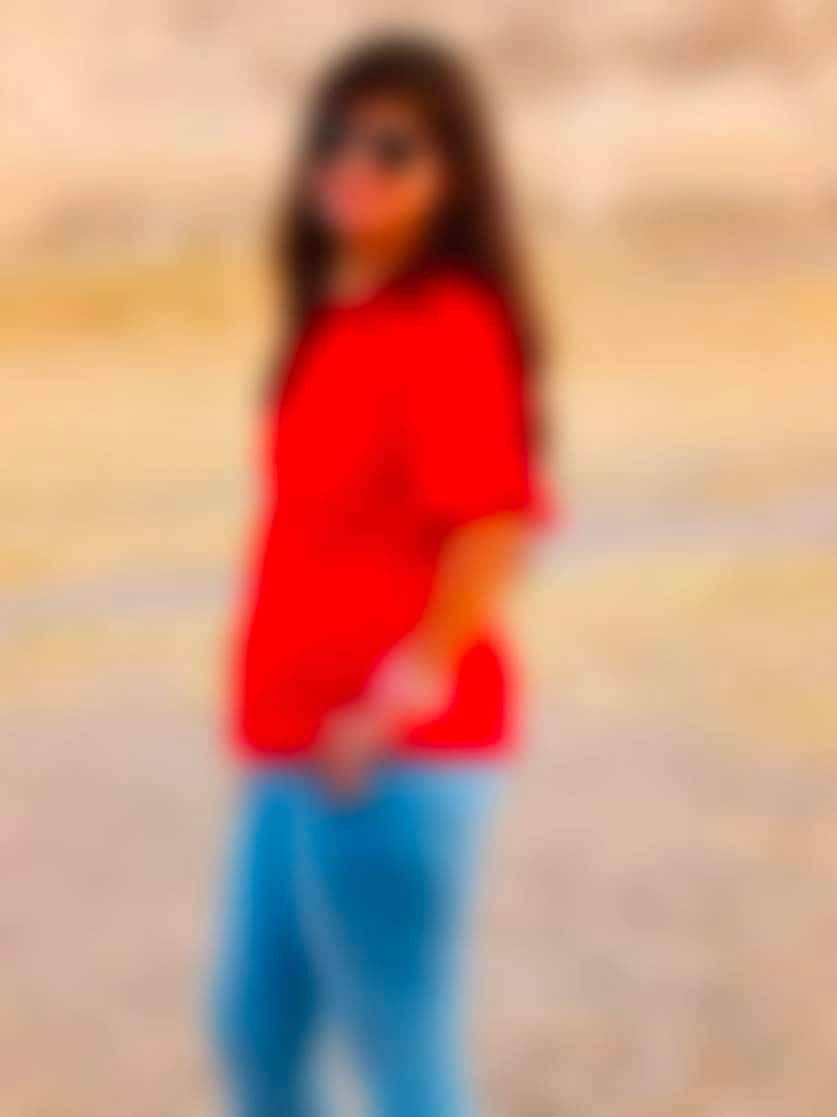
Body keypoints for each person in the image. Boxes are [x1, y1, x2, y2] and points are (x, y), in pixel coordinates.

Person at [211, 33, 547, 1117]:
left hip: (388, 756)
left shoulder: (447, 322)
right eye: (334, 137)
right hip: (290, 747)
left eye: (390, 147)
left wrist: (397, 699)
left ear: (450, 175)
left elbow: (491, 526)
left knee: (405, 1065)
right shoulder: (336, 316)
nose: (353, 164)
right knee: (255, 1035)